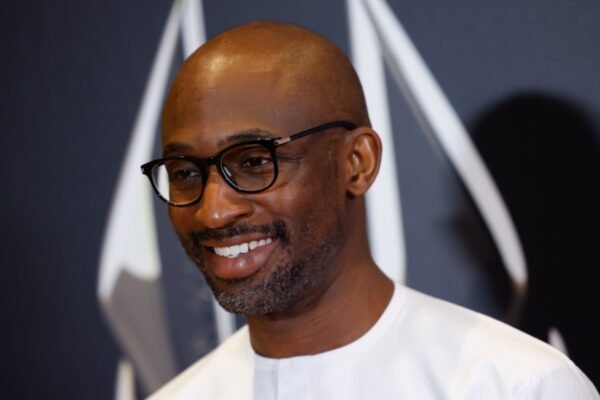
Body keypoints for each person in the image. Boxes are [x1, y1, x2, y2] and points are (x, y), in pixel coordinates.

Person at [142, 21, 599, 399]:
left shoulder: (517, 386)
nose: (213, 212)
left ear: (357, 163)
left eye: (255, 162)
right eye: (184, 172)